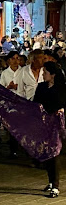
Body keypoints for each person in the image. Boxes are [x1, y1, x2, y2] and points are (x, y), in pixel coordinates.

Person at [34, 61, 66, 198]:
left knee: (55, 154)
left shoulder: (62, 88)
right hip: (44, 124)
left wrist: (62, 110)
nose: (42, 74)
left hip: (56, 125)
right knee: (47, 154)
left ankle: (56, 185)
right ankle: (51, 182)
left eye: (45, 72)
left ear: (52, 75)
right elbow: (36, 103)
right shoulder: (41, 87)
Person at [0, 50, 22, 157]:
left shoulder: (23, 71)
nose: (15, 61)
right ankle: (13, 149)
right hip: (9, 104)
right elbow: (1, 89)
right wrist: (9, 87)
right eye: (13, 58)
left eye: (17, 58)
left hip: (21, 103)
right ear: (9, 60)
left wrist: (19, 87)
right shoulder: (4, 73)